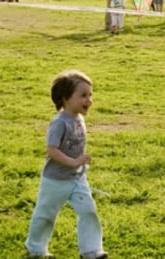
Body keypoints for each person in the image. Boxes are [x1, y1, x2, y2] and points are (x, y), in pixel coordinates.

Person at [25, 70, 108, 259]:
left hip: (77, 178)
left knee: (88, 211)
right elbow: (51, 150)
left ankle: (92, 251)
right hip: (55, 180)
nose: (89, 100)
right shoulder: (59, 123)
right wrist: (73, 162)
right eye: (83, 95)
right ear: (65, 98)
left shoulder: (79, 118)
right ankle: (36, 249)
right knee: (45, 215)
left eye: (90, 95)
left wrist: (78, 166)